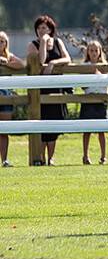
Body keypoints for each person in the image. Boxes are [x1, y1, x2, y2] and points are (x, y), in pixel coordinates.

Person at [27, 16, 72, 166]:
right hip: (40, 89)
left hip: (56, 87)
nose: (41, 30)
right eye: (39, 28)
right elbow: (40, 60)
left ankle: (51, 157)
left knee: (54, 123)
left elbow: (67, 59)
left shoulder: (58, 42)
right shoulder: (33, 45)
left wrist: (53, 63)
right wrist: (44, 43)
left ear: (51, 29)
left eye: (44, 28)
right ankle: (41, 157)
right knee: (42, 122)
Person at [80, 40, 108, 165]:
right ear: (87, 52)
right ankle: (85, 156)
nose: (93, 53)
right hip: (88, 99)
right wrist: (90, 76)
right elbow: (82, 86)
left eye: (96, 50)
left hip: (101, 99)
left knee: (101, 130)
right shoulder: (85, 66)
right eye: (91, 50)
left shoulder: (104, 66)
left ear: (100, 52)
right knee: (87, 130)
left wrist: (100, 75)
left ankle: (103, 156)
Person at [1, 31, 25, 167]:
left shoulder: (9, 57)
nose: (0, 43)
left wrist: (4, 64)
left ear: (6, 44)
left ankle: (4, 160)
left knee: (4, 130)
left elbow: (21, 65)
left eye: (2, 41)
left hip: (5, 96)